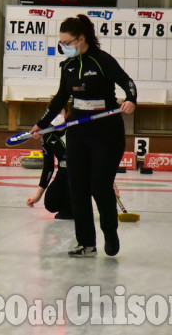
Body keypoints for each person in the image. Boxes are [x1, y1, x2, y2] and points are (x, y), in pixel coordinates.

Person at [29, 14, 136, 258]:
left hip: (106, 131)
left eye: (68, 42)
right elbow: (59, 99)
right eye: (61, 42)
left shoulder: (101, 61)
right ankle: (86, 243)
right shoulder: (67, 66)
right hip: (78, 128)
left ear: (81, 39)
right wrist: (41, 124)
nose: (63, 47)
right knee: (77, 187)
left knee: (99, 185)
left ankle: (110, 232)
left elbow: (126, 82)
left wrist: (130, 100)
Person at [26, 104, 73, 220]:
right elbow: (48, 168)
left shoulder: (76, 129)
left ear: (66, 114)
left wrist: (110, 183)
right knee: (51, 203)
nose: (56, 116)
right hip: (64, 173)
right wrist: (37, 196)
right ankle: (71, 208)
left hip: (83, 173)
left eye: (59, 112)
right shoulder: (47, 137)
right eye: (53, 113)